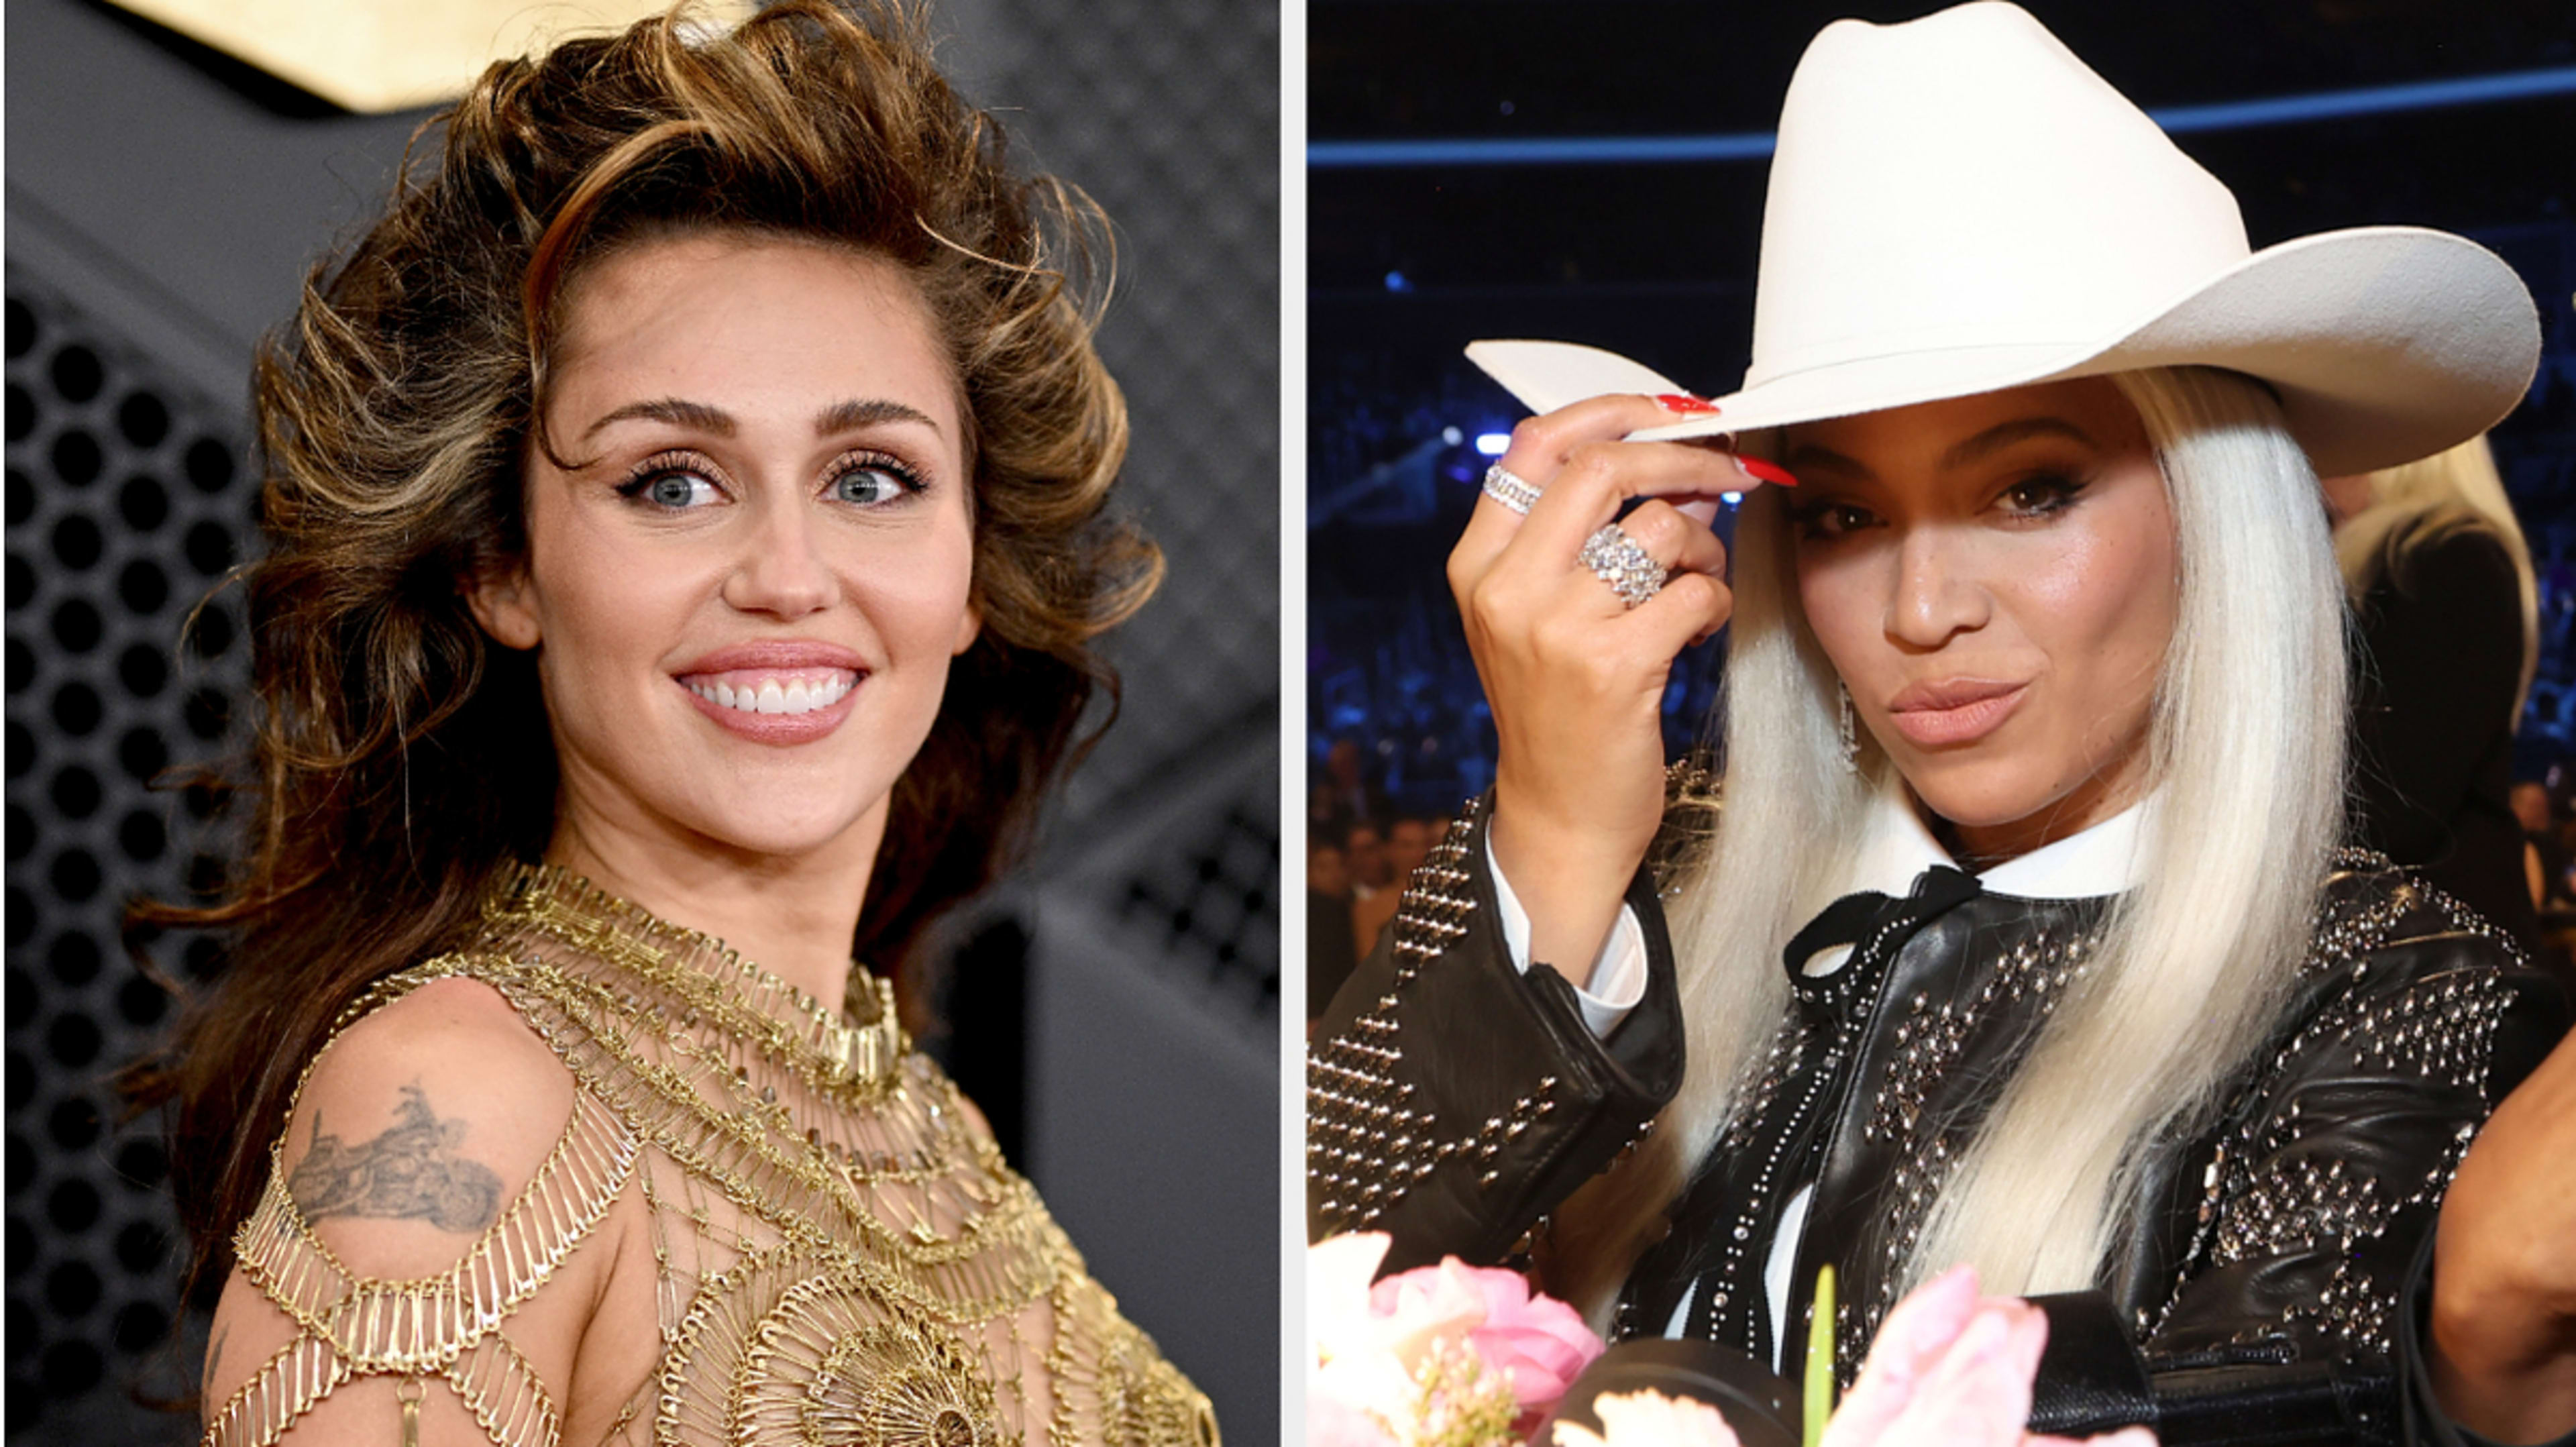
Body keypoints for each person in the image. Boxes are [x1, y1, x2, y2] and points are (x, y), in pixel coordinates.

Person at [1305, 3, 2564, 1439]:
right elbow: (1290, 1303)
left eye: (2031, 489)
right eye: (1843, 512)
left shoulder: (2402, 995)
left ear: (2221, 515)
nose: (1918, 608)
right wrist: (1554, 827)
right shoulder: (1663, 894)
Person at [117, 6, 1217, 1444]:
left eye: (873, 477)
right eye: (672, 482)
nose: (787, 576)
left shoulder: (925, 1126)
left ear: (971, 570)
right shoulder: (454, 1094)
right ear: (500, 563)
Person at [2330, 437, 2546, 952]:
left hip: (2431, 966)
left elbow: (2392, 804)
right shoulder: (2407, 560)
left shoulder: (2449, 557)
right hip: (2407, 949)